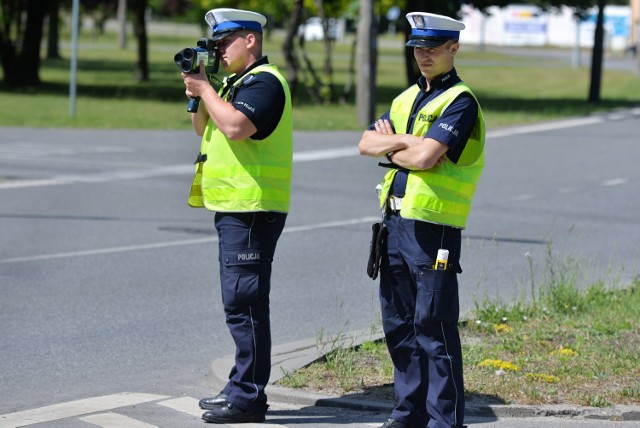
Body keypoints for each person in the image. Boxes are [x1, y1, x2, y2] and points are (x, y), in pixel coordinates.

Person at [358, 11, 486, 428]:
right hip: (394, 225)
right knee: (399, 327)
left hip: (434, 228)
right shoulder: (403, 99)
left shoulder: (461, 101)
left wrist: (392, 144)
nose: (423, 55)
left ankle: (443, 421)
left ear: (454, 48)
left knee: (434, 330)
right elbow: (364, 143)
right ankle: (408, 414)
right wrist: (405, 142)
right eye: (418, 47)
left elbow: (426, 157)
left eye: (432, 48)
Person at [180, 7, 293, 424]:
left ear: (251, 40)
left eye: (227, 41)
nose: (220, 49)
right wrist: (198, 92)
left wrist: (207, 90)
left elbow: (235, 128)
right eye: (216, 42)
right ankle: (240, 387)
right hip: (235, 208)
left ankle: (247, 397)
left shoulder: (265, 83)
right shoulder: (233, 84)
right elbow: (200, 128)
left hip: (253, 209)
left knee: (244, 303)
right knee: (239, 303)